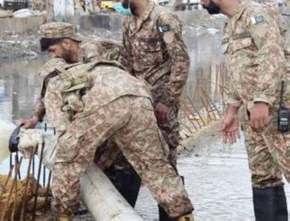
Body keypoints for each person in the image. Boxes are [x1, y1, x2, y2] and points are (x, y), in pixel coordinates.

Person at [37, 30, 194, 220]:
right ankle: (183, 215)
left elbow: (64, 131)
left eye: (52, 50)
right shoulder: (90, 67)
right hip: (139, 94)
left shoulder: (55, 83)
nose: (53, 54)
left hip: (108, 102)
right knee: (155, 165)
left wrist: (74, 150)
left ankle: (63, 216)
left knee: (67, 160)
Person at [195, 0, 289, 221]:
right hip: (253, 112)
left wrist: (262, 101)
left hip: (277, 107)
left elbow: (271, 57)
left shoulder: (257, 15)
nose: (202, 4)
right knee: (262, 175)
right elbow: (239, 70)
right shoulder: (230, 24)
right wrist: (231, 111)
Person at [19, 22, 142, 206]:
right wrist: (35, 118)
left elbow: (100, 93)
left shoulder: (93, 53)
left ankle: (125, 207)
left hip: (125, 103)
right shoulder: (66, 61)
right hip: (100, 110)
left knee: (122, 159)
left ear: (66, 43)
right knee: (95, 157)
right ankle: (102, 202)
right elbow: (49, 88)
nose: (54, 57)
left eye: (53, 51)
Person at [104, 0, 190, 219]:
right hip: (137, 103)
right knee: (126, 159)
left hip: (161, 103)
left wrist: (168, 102)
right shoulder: (129, 22)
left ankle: (173, 216)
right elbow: (128, 63)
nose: (117, 3)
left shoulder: (163, 19)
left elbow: (181, 62)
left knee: (164, 163)